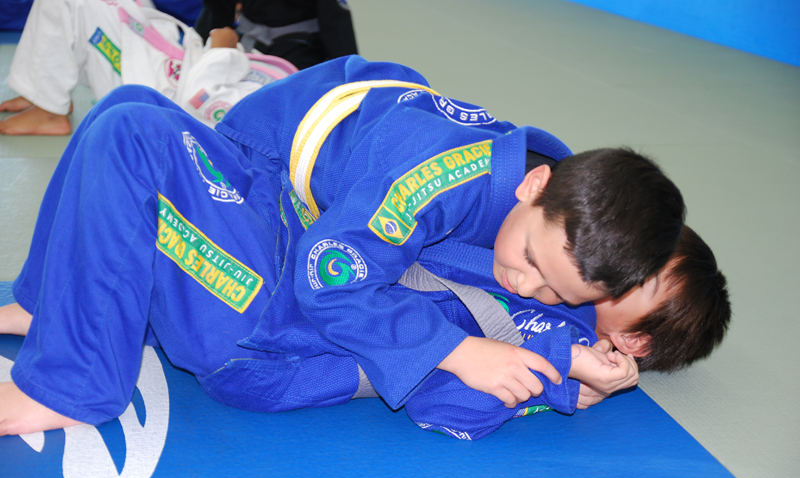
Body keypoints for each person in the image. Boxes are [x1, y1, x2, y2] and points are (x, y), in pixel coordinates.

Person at [0, 55, 685, 436]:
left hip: (259, 330)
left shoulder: (557, 273)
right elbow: (336, 271)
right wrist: (463, 350)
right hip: (276, 237)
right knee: (129, 107)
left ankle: (76, 387)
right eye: (533, 263)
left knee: (131, 137)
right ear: (535, 183)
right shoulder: (445, 176)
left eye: (558, 293)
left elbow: (332, 283)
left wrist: (552, 376)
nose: (527, 285)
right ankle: (49, 304)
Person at [401, 225, 731, 439]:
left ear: (633, 340)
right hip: (385, 256)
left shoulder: (565, 351)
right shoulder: (553, 244)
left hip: (380, 327)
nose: (616, 263)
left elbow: (438, 409)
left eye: (640, 277)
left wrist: (557, 367)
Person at [0, 0, 296, 135]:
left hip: (156, 92)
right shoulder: (288, 91)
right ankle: (41, 87)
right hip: (176, 63)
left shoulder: (265, 125)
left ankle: (47, 106)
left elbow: (199, 101)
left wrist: (222, 49)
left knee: (71, 2)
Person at [194, 0, 358, 70]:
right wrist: (199, 48)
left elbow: (337, 27)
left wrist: (352, 74)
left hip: (301, 50)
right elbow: (218, 10)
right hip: (243, 44)